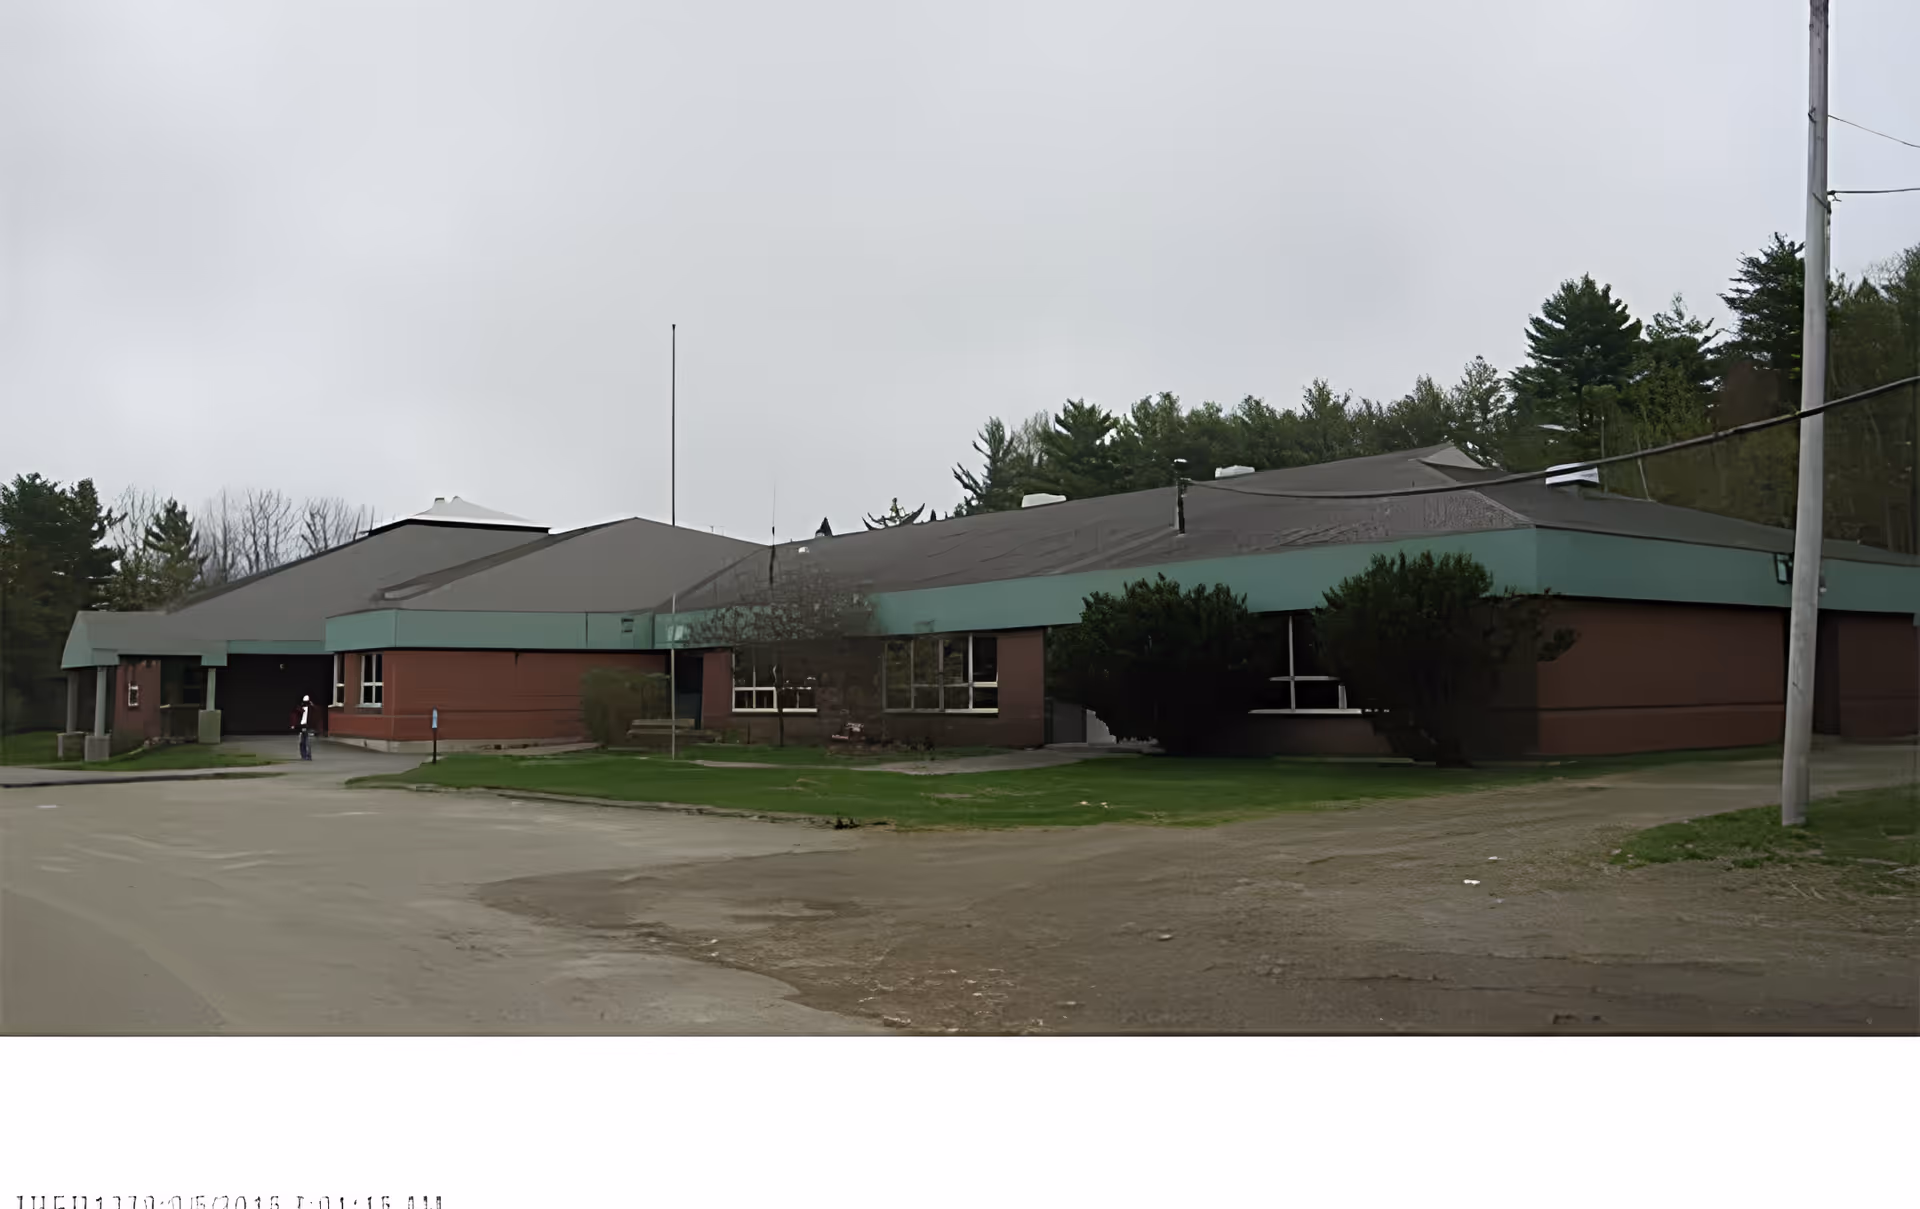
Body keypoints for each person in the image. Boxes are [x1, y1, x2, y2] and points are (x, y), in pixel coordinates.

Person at [294, 694, 314, 760]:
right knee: (302, 742)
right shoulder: (301, 708)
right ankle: (304, 756)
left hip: (307, 726)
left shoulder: (311, 708)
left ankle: (307, 756)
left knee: (307, 741)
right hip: (302, 725)